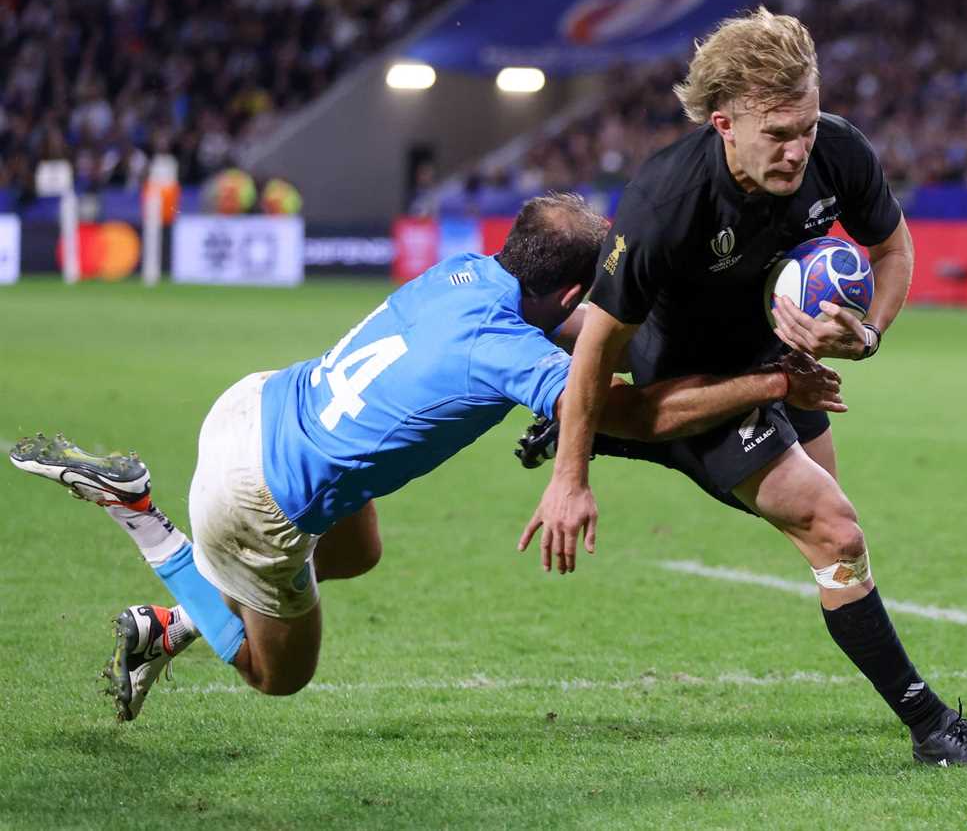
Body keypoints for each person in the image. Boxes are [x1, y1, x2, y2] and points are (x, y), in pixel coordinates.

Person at [9, 192, 845, 722]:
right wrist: (767, 381)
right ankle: (143, 519)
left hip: (259, 404)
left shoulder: (464, 274)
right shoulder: (505, 346)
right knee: (276, 677)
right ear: (566, 294)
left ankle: (178, 619)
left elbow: (585, 348)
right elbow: (618, 405)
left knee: (358, 550)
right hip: (257, 492)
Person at [520, 8, 967, 766]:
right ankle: (934, 728)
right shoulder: (668, 199)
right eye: (778, 133)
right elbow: (599, 341)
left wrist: (870, 334)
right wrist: (570, 477)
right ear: (725, 123)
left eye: (807, 126)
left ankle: (631, 435)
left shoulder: (839, 151)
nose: (798, 150)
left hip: (777, 366)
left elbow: (892, 246)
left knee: (829, 517)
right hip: (688, 376)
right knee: (835, 530)